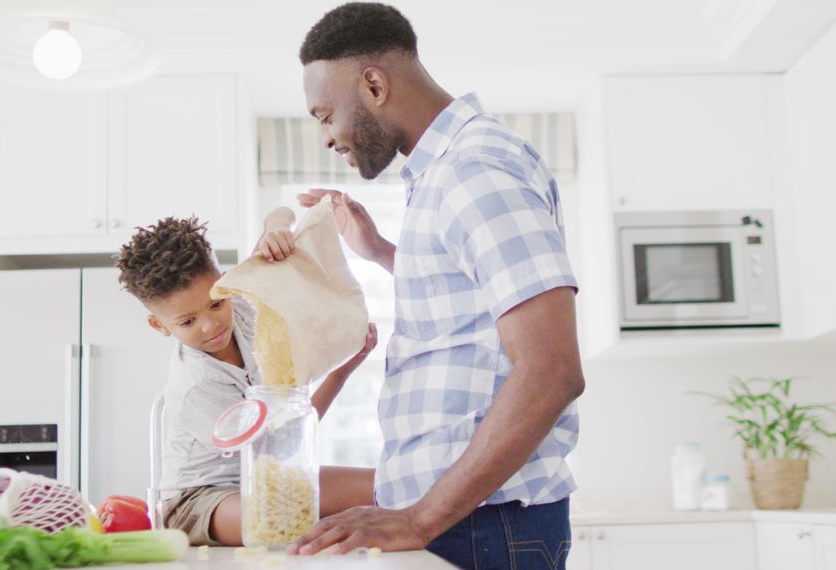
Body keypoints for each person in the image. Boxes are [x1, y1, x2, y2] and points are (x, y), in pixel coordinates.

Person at [290, 3, 586, 568]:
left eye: (326, 115)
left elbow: (552, 371)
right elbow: (473, 304)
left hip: (482, 522)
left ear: (373, 84)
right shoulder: (443, 174)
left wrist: (421, 517)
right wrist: (379, 252)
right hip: (469, 518)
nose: (327, 137)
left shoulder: (473, 170)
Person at [115, 210, 378, 546]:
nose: (210, 326)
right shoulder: (195, 384)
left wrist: (276, 229)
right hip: (201, 500)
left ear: (226, 284)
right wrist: (340, 373)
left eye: (215, 304)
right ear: (160, 326)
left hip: (270, 478)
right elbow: (281, 444)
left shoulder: (244, 303)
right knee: (282, 518)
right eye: (187, 322)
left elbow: (281, 214)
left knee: (385, 484)